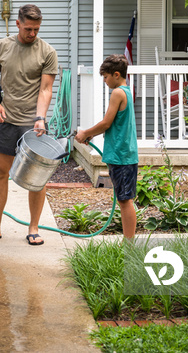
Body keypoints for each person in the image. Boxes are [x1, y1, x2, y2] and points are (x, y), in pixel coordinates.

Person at [0, 4, 58, 246]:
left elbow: (45, 89)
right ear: (18, 24)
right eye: (28, 29)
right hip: (6, 120)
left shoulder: (47, 52)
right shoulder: (2, 46)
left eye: (36, 29)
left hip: (32, 125)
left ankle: (33, 228)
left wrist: (40, 118)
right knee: (0, 173)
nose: (32, 33)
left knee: (37, 178)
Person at [75, 54, 138, 241]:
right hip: (123, 153)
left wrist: (86, 133)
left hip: (122, 154)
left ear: (116, 74)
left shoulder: (118, 92)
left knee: (125, 201)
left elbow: (106, 123)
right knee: (124, 199)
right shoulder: (126, 91)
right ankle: (129, 243)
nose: (104, 81)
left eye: (106, 76)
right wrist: (91, 135)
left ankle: (130, 246)